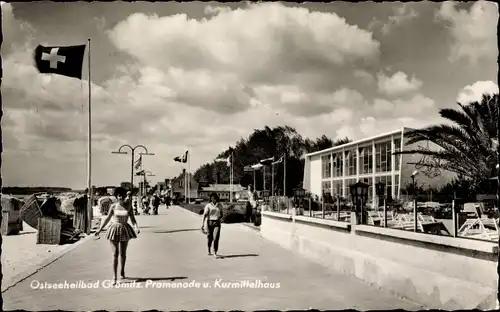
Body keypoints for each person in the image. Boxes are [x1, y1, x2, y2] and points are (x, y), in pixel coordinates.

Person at [95, 187, 140, 286]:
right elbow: (107, 219)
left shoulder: (128, 206)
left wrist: (136, 227)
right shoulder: (113, 206)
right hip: (114, 229)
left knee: (123, 253)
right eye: (119, 195)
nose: (121, 197)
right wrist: (99, 229)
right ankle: (114, 277)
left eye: (123, 195)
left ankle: (122, 271)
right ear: (116, 197)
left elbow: (132, 218)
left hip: (125, 229)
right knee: (115, 253)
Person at [201, 193, 224, 258]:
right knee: (210, 238)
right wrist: (202, 224)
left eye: (214, 198)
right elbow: (205, 215)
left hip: (217, 223)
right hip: (210, 223)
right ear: (210, 199)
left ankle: (215, 252)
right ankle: (209, 249)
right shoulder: (208, 206)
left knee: (216, 238)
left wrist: (220, 217)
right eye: (212, 198)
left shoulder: (220, 205)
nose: (213, 199)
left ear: (216, 198)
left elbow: (222, 214)